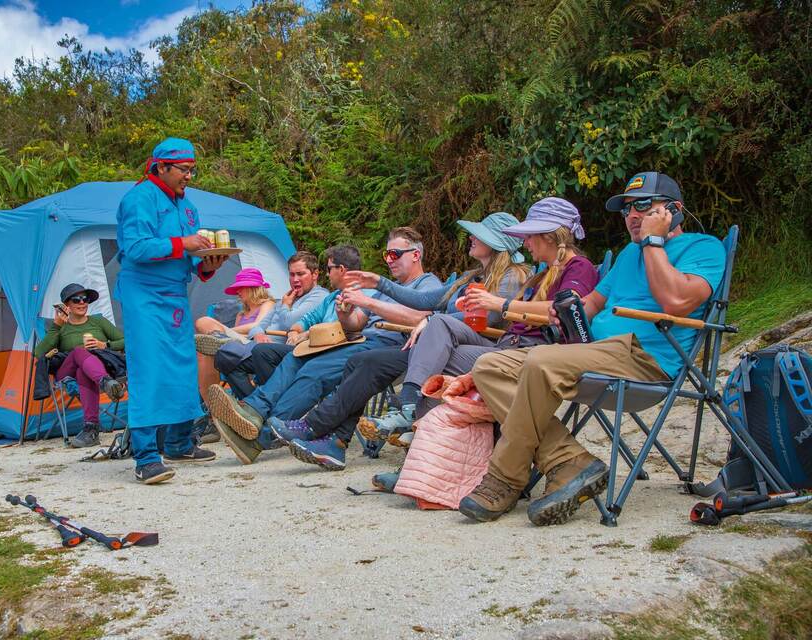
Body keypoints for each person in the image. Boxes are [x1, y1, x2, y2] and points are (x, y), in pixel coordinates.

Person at [457, 171, 726, 526]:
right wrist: (561, 310)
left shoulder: (703, 247)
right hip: (596, 350)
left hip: (645, 358)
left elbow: (675, 300)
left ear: (673, 210)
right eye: (628, 208)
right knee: (490, 366)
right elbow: (592, 304)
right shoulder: (631, 254)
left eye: (644, 205)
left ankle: (505, 478)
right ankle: (568, 461)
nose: (633, 215)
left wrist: (653, 244)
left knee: (540, 361)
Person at [267, 211, 531, 469]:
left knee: (371, 360)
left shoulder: (513, 276)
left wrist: (431, 322)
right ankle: (335, 441)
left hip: (474, 350)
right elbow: (427, 302)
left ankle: (321, 424)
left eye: (478, 235)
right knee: (362, 360)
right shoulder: (470, 277)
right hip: (437, 347)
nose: (471, 237)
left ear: (496, 243)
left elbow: (492, 319)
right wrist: (379, 282)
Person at [360, 197, 598, 445]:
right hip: (505, 347)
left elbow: (565, 311)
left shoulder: (577, 267)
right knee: (434, 353)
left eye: (529, 235)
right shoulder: (539, 276)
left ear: (548, 236)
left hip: (527, 353)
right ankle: (411, 421)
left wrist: (498, 304)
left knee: (432, 347)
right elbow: (429, 302)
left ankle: (414, 432)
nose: (525, 242)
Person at [206, 229, 441, 464]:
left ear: (415, 255)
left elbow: (419, 316)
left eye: (395, 254)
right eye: (387, 255)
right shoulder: (385, 289)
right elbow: (356, 324)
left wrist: (367, 301)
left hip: (393, 348)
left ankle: (262, 436)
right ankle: (255, 411)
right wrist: (344, 312)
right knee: (297, 356)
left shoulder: (427, 283)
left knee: (314, 370)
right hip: (361, 341)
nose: (389, 260)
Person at [115, 137, 228, 484]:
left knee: (182, 365)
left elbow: (192, 262)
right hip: (143, 294)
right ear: (161, 167)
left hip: (175, 293)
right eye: (183, 170)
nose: (188, 177)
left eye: (192, 170)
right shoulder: (139, 199)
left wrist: (210, 264)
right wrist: (184, 244)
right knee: (149, 368)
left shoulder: (189, 207)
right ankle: (146, 456)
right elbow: (135, 247)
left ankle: (179, 442)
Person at [212, 252, 328, 399]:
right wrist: (259, 334)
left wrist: (285, 305)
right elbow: (258, 326)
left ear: (315, 274)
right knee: (224, 358)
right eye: (292, 275)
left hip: (290, 352)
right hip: (262, 348)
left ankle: (258, 405)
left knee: (251, 352)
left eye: (300, 274)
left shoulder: (319, 296)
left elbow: (291, 322)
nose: (295, 279)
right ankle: (250, 404)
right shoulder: (286, 298)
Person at [33, 283, 125, 448]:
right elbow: (39, 353)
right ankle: (106, 382)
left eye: (85, 299)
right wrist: (56, 326)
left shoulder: (98, 321)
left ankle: (91, 430)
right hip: (67, 374)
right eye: (76, 299)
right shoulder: (60, 328)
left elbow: (126, 341)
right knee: (78, 351)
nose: (82, 303)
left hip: (93, 371)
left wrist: (104, 345)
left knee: (84, 372)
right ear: (66, 305)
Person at [193, 268, 275, 410]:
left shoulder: (268, 304)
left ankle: (219, 337)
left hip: (254, 346)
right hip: (237, 346)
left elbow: (258, 326)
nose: (237, 292)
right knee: (203, 351)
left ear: (252, 287)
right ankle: (211, 406)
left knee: (203, 321)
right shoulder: (241, 314)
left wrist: (227, 330)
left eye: (240, 288)